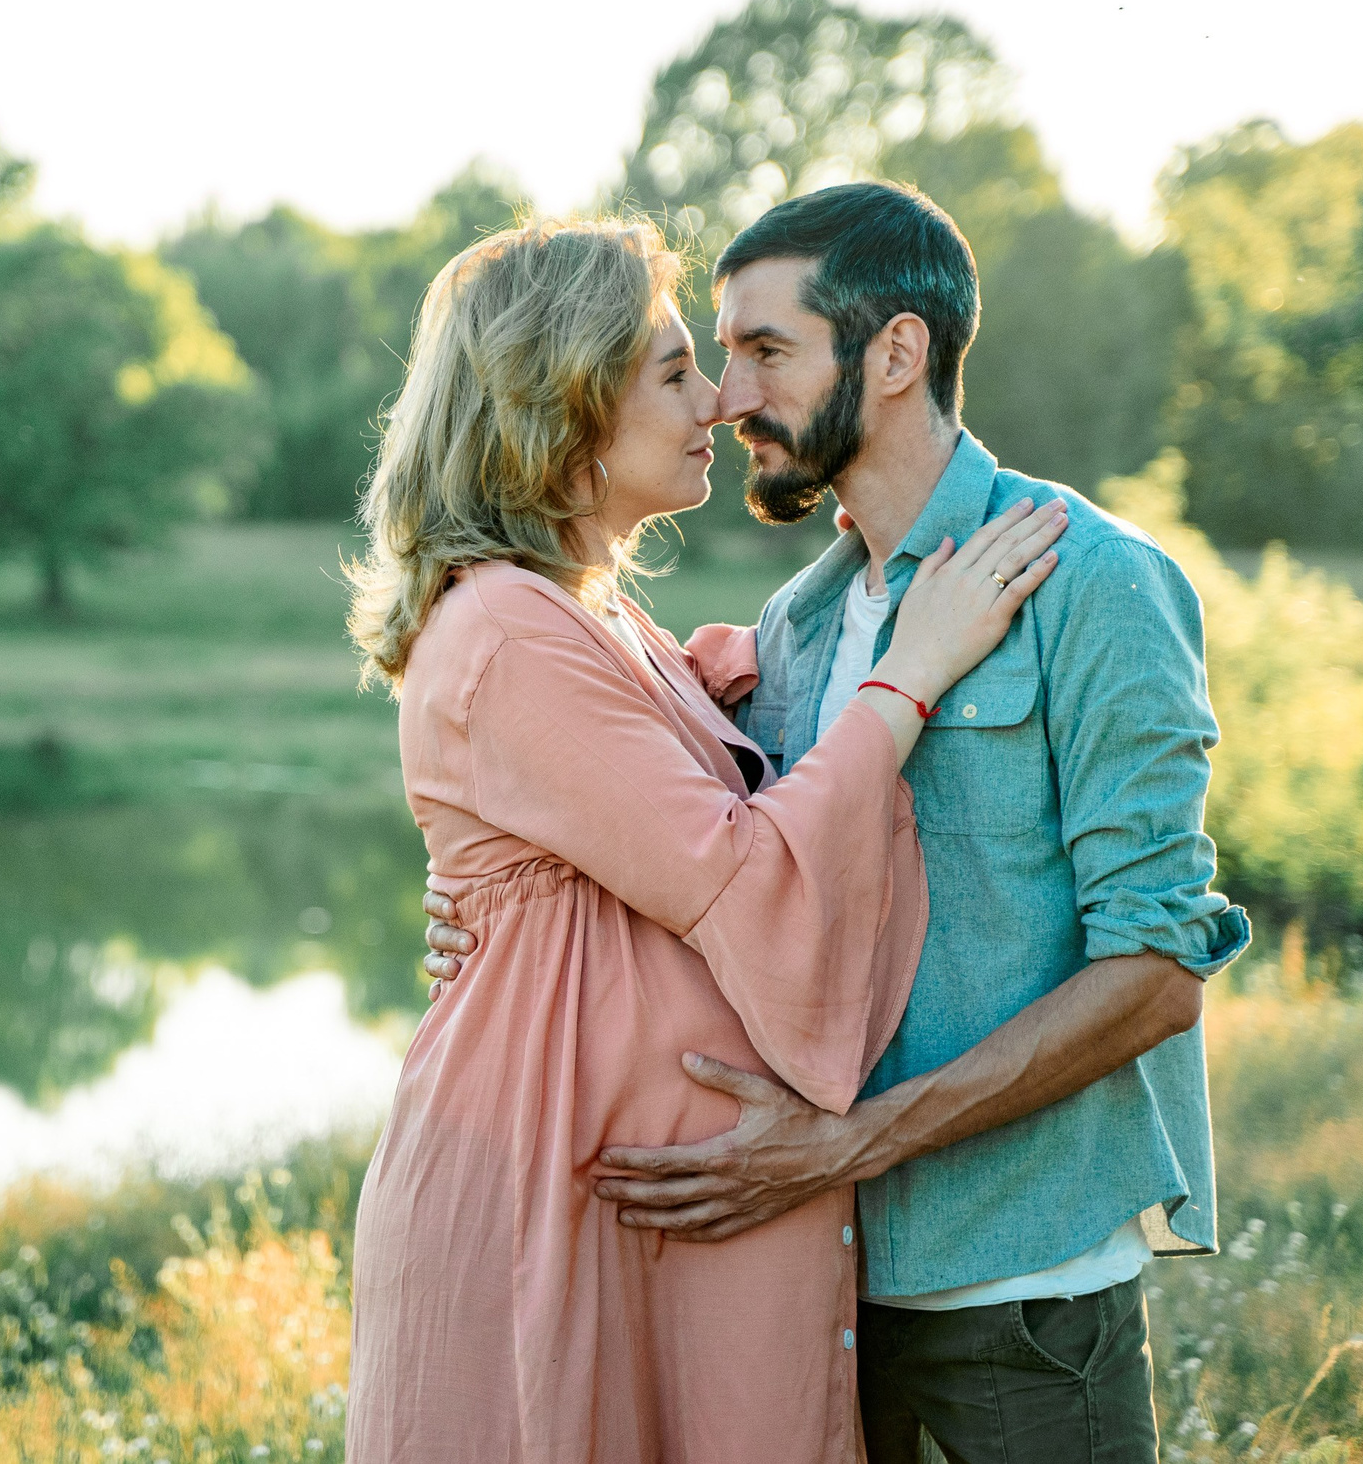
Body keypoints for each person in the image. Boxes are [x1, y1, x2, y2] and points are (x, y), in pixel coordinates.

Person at [424, 182, 1252, 1464]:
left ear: (896, 352)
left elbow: (1152, 975)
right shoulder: (798, 631)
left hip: (1015, 1291)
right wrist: (500, 918)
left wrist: (849, 1142)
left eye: (764, 351)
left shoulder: (1090, 581)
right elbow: (718, 868)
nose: (727, 395)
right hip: (815, 1293)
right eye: (710, 355)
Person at [343, 215, 1068, 1464]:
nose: (722, 402)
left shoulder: (591, 615)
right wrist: (909, 672)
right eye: (675, 371)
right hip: (550, 1191)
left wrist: (816, 643)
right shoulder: (509, 629)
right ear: (561, 402)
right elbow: (740, 870)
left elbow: (667, 741)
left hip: (634, 1190)